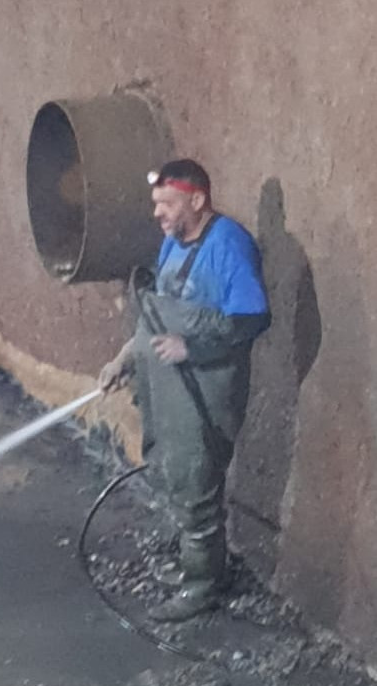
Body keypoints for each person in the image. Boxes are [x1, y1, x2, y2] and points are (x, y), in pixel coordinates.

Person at [99, 159, 270, 622]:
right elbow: (155, 317)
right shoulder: (172, 245)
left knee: (197, 487)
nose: (158, 213)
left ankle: (202, 587)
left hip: (205, 392)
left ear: (197, 200)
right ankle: (199, 562)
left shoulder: (229, 246)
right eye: (156, 204)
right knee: (174, 476)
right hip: (169, 390)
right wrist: (125, 359)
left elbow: (252, 318)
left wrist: (191, 346)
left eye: (167, 204)